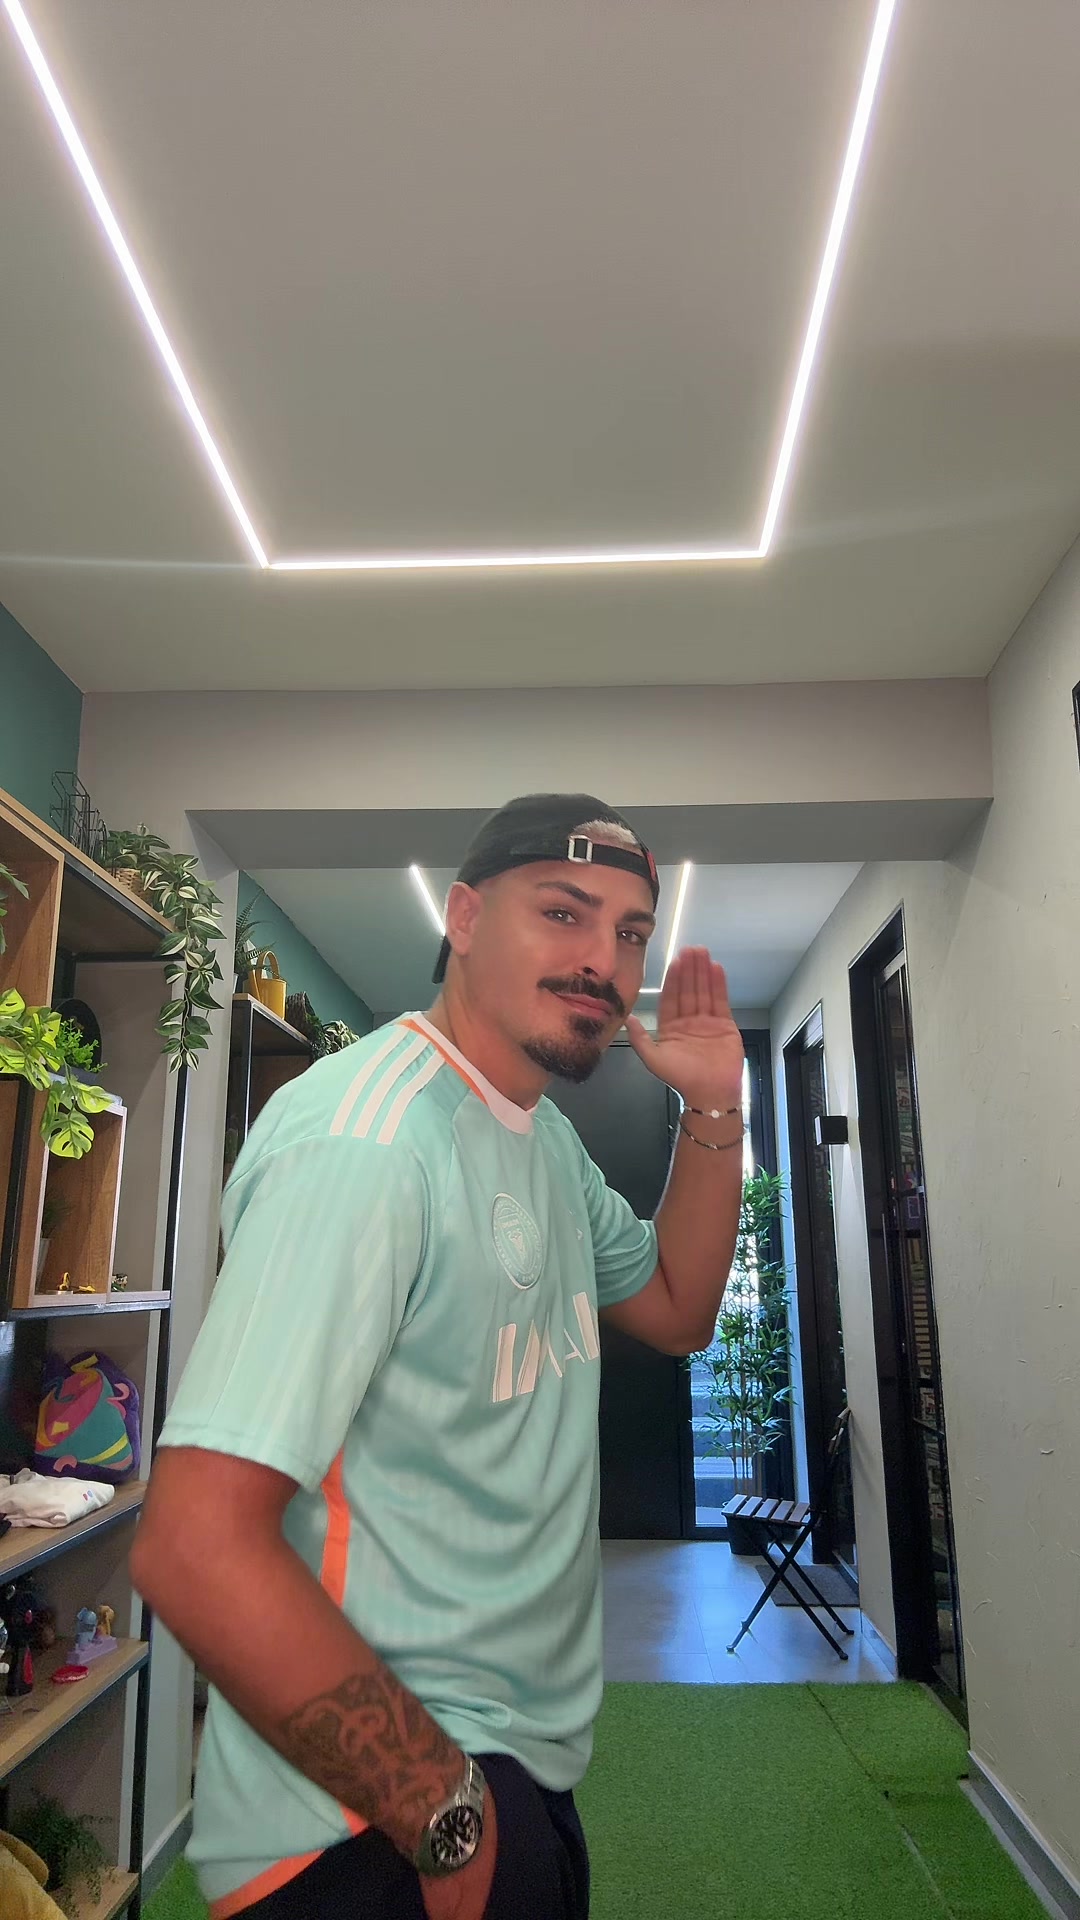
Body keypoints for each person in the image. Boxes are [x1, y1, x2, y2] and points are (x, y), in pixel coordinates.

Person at [132, 793, 745, 1920]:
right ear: (462, 918)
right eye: (562, 912)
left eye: (628, 932)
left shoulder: (541, 1138)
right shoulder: (364, 1145)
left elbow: (675, 1309)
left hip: (505, 1761)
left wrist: (715, 1110)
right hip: (372, 1814)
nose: (601, 959)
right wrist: (439, 1810)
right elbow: (194, 1543)